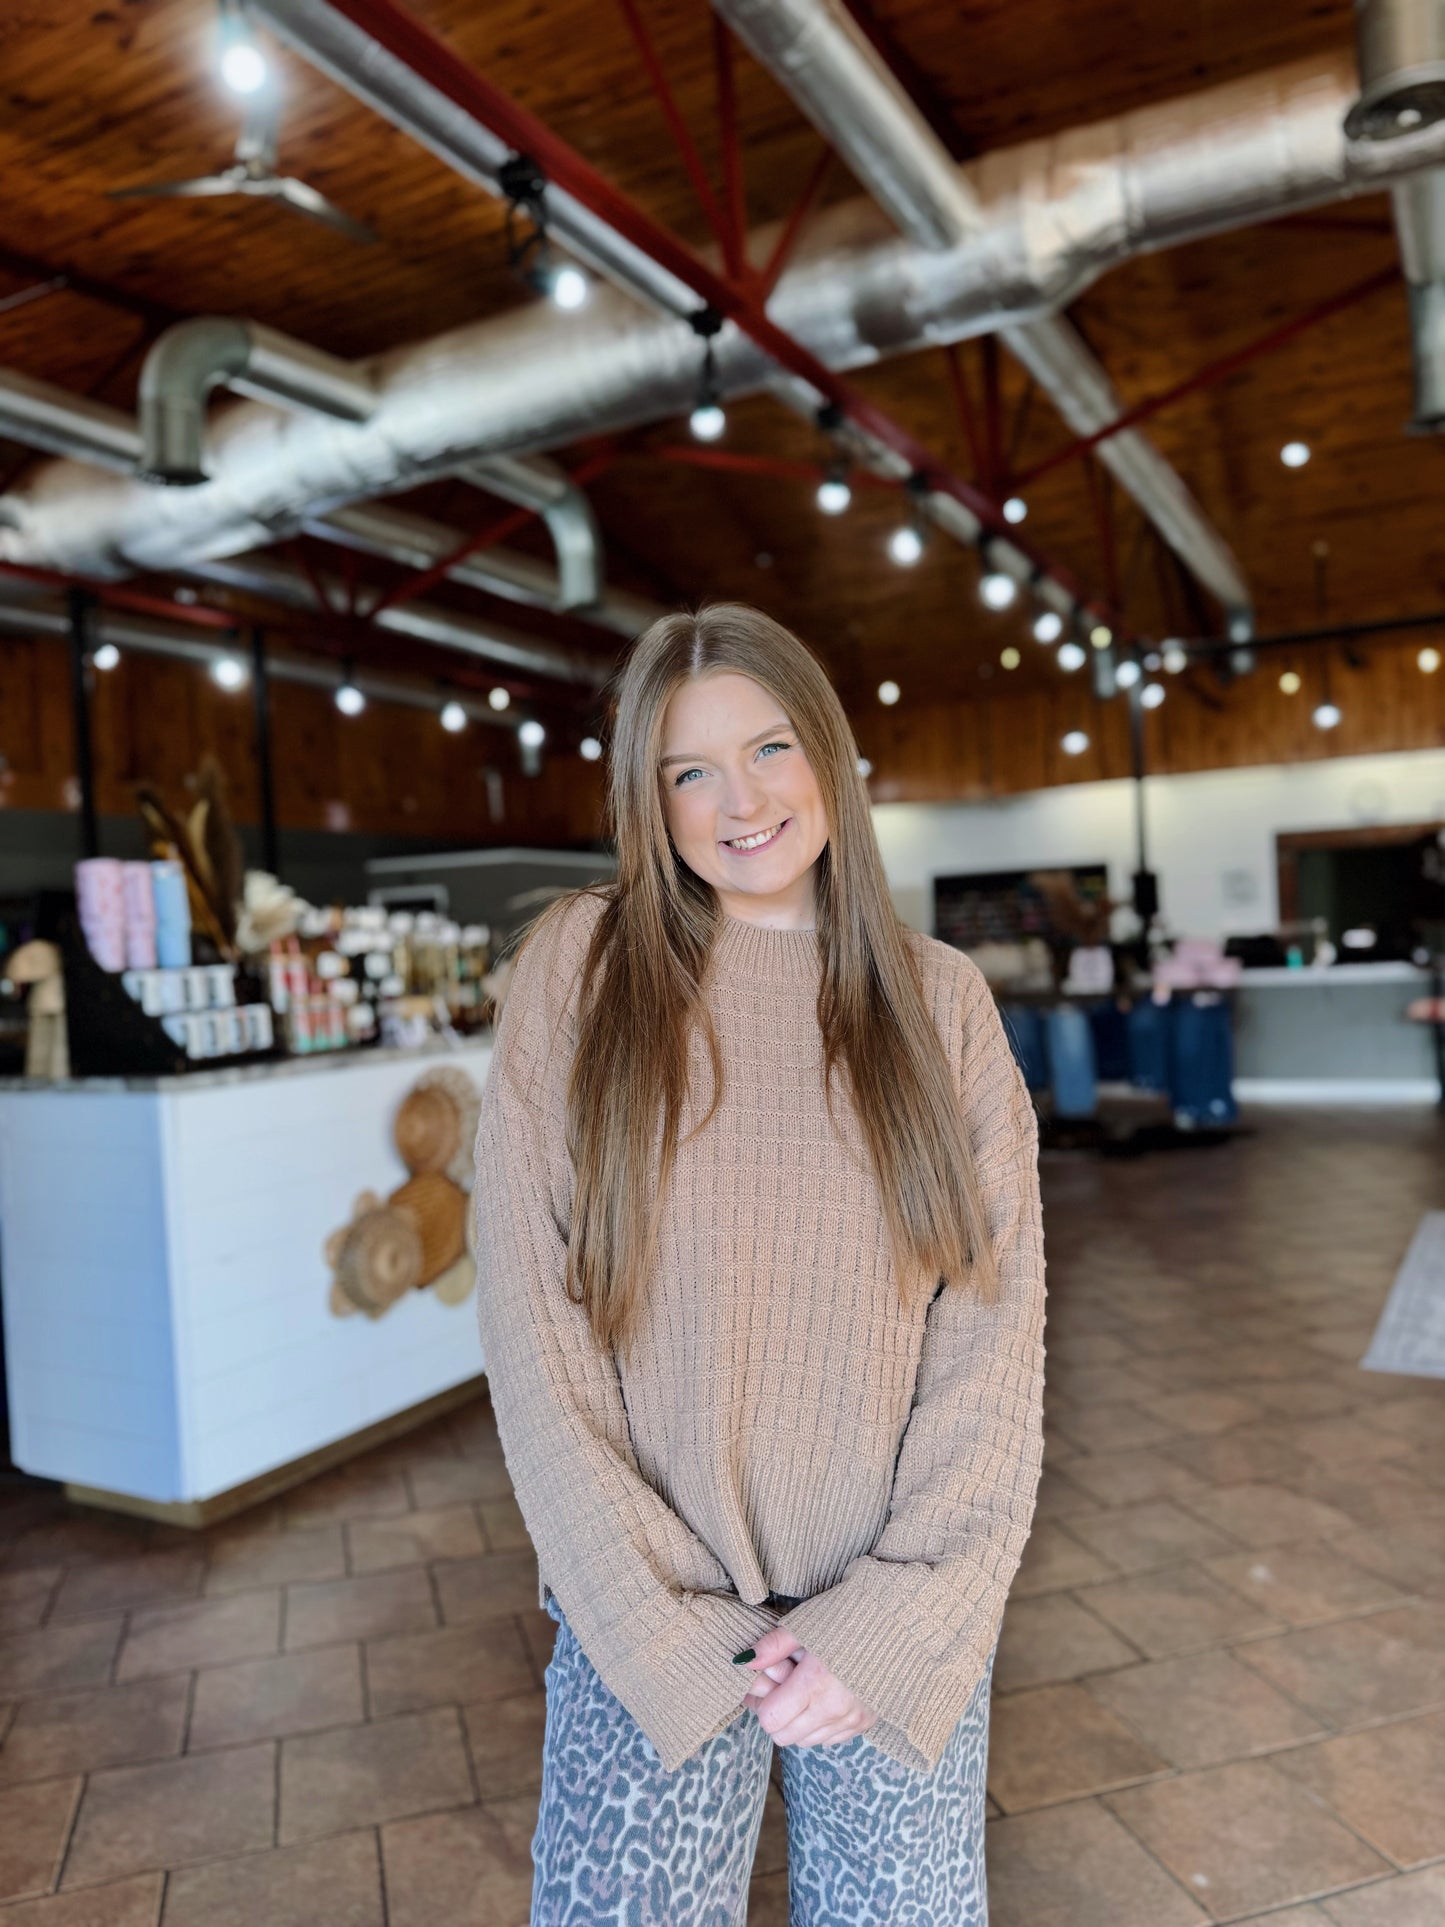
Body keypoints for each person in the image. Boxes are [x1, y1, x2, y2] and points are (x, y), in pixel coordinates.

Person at [472, 602, 1046, 1925]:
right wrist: (656, 1622)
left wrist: (893, 1625)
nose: (741, 801)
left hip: (889, 1623)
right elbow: (531, 1315)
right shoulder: (583, 968)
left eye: (771, 748)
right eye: (691, 770)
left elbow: (992, 1336)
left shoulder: (938, 999)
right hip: (643, 1624)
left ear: (827, 755)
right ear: (649, 799)